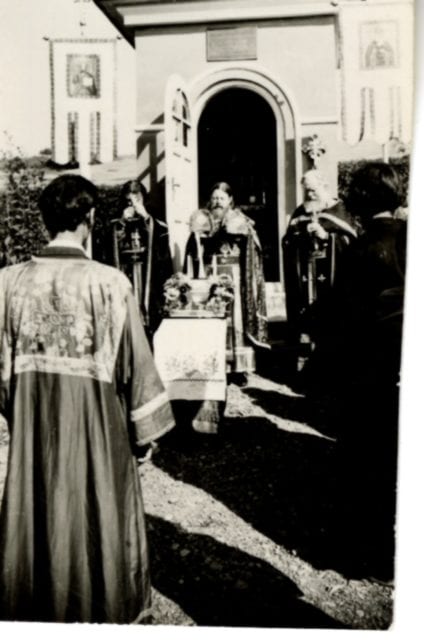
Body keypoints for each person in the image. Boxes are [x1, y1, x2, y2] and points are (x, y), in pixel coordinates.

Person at [0, 175, 175, 623]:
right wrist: (145, 435)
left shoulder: (7, 284)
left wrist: (23, 409)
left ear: (43, 221)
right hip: (100, 432)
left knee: (36, 513)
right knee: (100, 515)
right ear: (90, 219)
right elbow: (137, 368)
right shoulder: (110, 284)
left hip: (34, 430)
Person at [333, 162, 406, 579]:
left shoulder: (359, 249)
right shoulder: (411, 238)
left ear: (359, 202)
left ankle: (372, 556)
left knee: (370, 462)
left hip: (370, 368)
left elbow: (343, 317)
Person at [184, 181, 268, 374]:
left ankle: (238, 367)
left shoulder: (239, 219)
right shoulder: (202, 219)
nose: (217, 202)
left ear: (230, 200)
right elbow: (193, 250)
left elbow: (251, 243)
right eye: (214, 198)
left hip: (233, 275)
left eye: (221, 198)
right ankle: (214, 363)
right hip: (208, 275)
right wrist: (197, 238)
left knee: (234, 316)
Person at [282, 169, 357, 369]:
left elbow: (351, 242)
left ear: (324, 187)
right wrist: (299, 237)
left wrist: (327, 237)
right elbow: (287, 242)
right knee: (305, 317)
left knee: (332, 316)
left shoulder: (340, 210)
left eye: (313, 191)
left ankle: (331, 365)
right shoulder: (300, 212)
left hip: (332, 277)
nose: (310, 195)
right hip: (305, 276)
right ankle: (305, 364)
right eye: (306, 191)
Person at [112, 179, 173, 339]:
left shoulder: (154, 220)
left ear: (143, 199)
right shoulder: (117, 221)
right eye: (128, 200)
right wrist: (123, 222)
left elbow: (161, 245)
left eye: (136, 199)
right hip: (126, 272)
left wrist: (146, 218)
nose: (132, 203)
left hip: (148, 275)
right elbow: (109, 244)